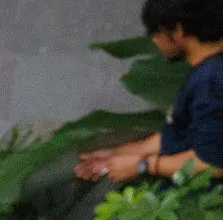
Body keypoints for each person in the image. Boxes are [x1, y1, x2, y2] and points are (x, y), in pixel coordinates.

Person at [75, 0, 223, 184]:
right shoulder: (207, 72)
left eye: (156, 32)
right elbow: (178, 135)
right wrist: (114, 154)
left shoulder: (211, 80)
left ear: (178, 30)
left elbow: (213, 164)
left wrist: (143, 166)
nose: (154, 40)